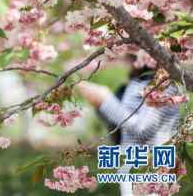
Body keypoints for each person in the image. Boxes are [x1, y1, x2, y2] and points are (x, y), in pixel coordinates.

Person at [76, 56, 181, 196]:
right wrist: (99, 104)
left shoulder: (164, 85)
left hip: (152, 169)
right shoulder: (137, 80)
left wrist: (105, 101)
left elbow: (143, 129)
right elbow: (122, 124)